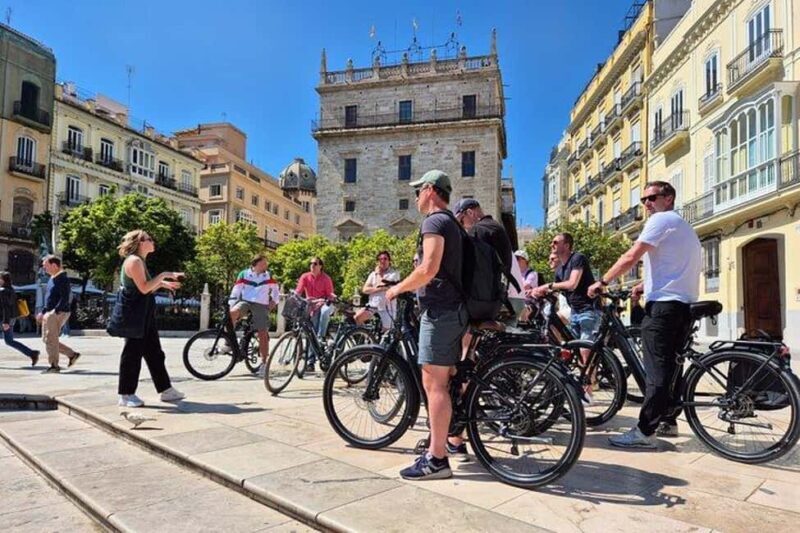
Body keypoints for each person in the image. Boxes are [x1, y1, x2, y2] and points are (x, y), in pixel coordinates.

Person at [588, 181, 701, 448]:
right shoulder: (684, 227)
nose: (647, 204)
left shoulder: (660, 220)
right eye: (643, 200)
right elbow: (674, 268)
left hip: (663, 308)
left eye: (652, 197)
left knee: (656, 372)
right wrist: (642, 285)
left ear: (669, 198)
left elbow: (631, 257)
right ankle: (668, 421)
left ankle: (644, 431)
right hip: (682, 305)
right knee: (672, 367)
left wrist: (602, 282)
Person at [386, 169, 467, 481]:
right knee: (444, 383)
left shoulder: (434, 221)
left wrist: (396, 288)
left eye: (419, 190)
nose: (416, 195)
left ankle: (436, 459)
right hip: (453, 310)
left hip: (441, 311)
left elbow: (429, 268)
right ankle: (444, 442)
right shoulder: (453, 224)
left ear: (431, 190)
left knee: (434, 385)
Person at [116, 230, 186, 407]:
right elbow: (144, 288)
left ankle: (166, 390)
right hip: (135, 314)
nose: (153, 241)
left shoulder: (140, 261)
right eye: (149, 239)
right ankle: (125, 394)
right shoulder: (134, 261)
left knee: (155, 353)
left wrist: (163, 284)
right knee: (132, 354)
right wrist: (163, 275)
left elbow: (143, 287)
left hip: (143, 313)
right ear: (140, 242)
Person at [531, 233, 601, 403]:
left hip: (588, 310)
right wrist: (537, 292)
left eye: (555, 241)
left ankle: (588, 391)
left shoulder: (578, 258)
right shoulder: (561, 268)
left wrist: (546, 286)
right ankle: (588, 384)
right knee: (577, 352)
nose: (551, 244)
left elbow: (572, 284)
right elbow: (555, 290)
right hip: (575, 312)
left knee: (585, 351)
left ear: (567, 245)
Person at [229, 255, 280, 375]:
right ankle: (229, 343)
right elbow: (236, 290)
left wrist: (274, 301)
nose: (266, 266)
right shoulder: (244, 274)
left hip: (261, 303)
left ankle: (264, 363)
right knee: (231, 314)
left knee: (262, 332)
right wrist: (231, 304)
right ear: (255, 264)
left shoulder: (268, 275)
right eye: (263, 264)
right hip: (245, 301)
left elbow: (276, 290)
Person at [37, 255, 80, 373]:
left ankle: (54, 366)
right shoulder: (52, 278)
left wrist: (54, 311)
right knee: (47, 339)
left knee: (50, 339)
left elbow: (65, 297)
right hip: (51, 312)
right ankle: (72, 355)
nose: (43, 269)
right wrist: (43, 312)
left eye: (45, 266)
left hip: (57, 312)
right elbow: (50, 299)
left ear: (54, 265)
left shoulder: (62, 278)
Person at [295, 256, 335, 372]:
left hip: (323, 305)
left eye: (315, 263)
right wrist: (294, 296)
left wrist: (324, 300)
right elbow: (298, 291)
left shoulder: (326, 278)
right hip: (311, 306)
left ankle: (321, 337)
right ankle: (310, 361)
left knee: (321, 318)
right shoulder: (305, 276)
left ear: (320, 266)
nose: (312, 265)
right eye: (311, 263)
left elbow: (330, 295)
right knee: (309, 333)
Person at [354, 251, 400, 332]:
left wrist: (378, 276)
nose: (382, 261)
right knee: (358, 317)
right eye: (380, 259)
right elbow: (365, 290)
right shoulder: (373, 274)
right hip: (373, 306)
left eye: (385, 259)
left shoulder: (394, 274)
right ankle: (367, 335)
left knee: (386, 332)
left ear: (389, 261)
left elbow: (382, 284)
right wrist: (381, 289)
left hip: (387, 308)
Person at [1, 271, 39, 365]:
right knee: (9, 341)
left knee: (9, 341)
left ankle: (32, 353)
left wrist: (5, 322)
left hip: (4, 319)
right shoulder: (11, 289)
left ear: (2, 279)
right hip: (11, 319)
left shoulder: (3, 291)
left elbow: (6, 307)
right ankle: (32, 353)